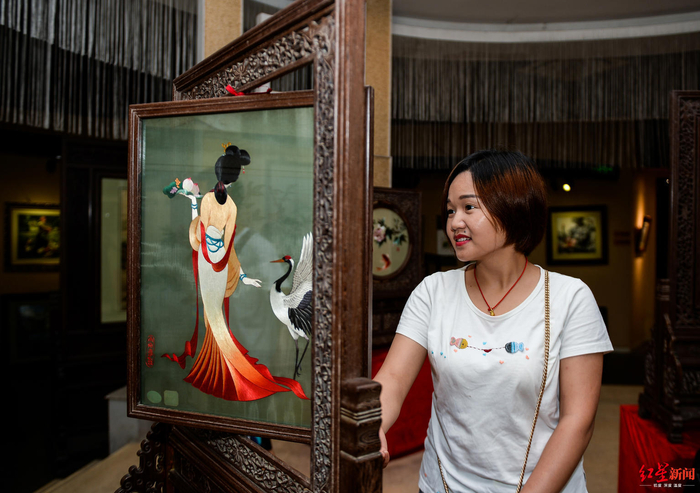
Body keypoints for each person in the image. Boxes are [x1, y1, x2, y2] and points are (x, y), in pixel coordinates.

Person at [374, 150, 613, 493]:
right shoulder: (433, 291)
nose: (455, 222)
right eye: (451, 210)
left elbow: (578, 422)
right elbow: (393, 380)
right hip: (442, 485)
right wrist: (374, 422)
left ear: (512, 207)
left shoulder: (569, 298)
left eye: (469, 207)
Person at [163, 144, 308, 402]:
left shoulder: (260, 246)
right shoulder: (218, 236)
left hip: (255, 334)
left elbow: (276, 298)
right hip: (228, 319)